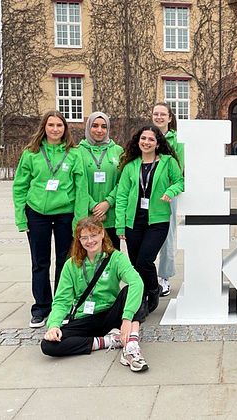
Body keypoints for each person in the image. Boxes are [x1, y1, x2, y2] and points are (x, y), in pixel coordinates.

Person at [40, 217, 148, 372]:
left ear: (102, 234)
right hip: (86, 317)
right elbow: (62, 300)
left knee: (136, 291)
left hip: (111, 314)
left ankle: (131, 345)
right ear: (78, 240)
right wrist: (54, 325)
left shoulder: (115, 257)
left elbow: (136, 282)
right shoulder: (71, 264)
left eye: (94, 235)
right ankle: (108, 341)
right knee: (48, 345)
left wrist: (126, 318)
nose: (90, 241)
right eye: (84, 237)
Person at [12, 110, 88, 328]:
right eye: (51, 125)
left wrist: (79, 219)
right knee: (40, 262)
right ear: (44, 127)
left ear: (65, 129)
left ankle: (61, 305)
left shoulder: (74, 153)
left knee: (65, 262)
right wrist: (21, 217)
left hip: (65, 213)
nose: (55, 129)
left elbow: (81, 188)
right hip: (37, 213)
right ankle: (41, 307)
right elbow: (20, 186)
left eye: (59, 125)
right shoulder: (31, 153)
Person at [115, 125, 183, 318]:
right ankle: (142, 298)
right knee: (135, 263)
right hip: (133, 221)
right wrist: (120, 224)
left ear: (158, 143)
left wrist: (170, 191)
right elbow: (121, 196)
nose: (146, 142)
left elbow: (180, 181)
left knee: (145, 260)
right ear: (138, 141)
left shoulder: (168, 162)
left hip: (158, 221)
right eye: (143, 138)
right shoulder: (130, 166)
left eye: (151, 139)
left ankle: (152, 289)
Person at [77, 112, 124, 249]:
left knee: (111, 258)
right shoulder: (77, 151)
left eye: (104, 126)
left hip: (111, 216)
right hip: (86, 216)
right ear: (88, 127)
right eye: (95, 126)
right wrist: (93, 206)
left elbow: (123, 182)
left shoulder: (118, 151)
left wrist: (108, 202)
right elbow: (78, 183)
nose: (99, 130)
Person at [152, 102, 183, 298]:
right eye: (156, 114)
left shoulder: (177, 140)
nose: (159, 117)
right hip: (146, 192)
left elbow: (180, 168)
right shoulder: (147, 135)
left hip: (167, 194)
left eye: (163, 114)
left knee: (167, 236)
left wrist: (171, 189)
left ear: (170, 118)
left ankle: (163, 277)